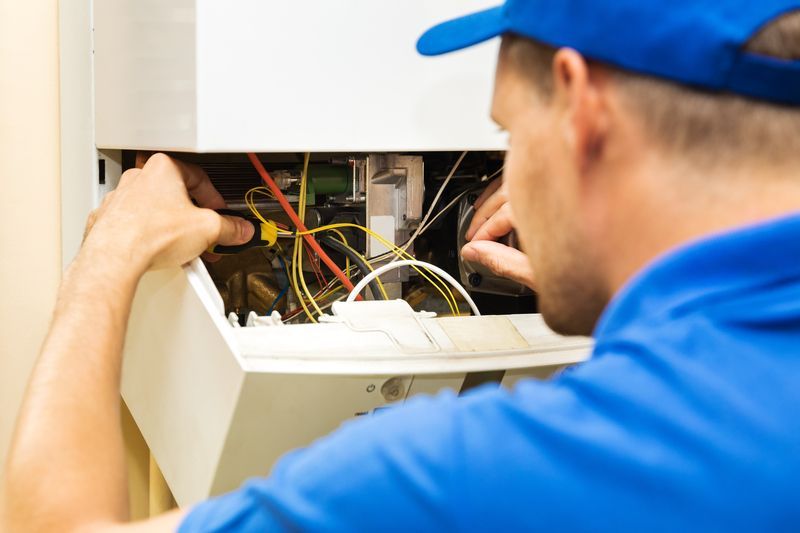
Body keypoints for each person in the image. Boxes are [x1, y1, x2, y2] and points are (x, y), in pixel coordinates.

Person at [3, 0, 800, 530]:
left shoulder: (492, 470)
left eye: (511, 136)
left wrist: (108, 251)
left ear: (581, 110)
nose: (507, 180)